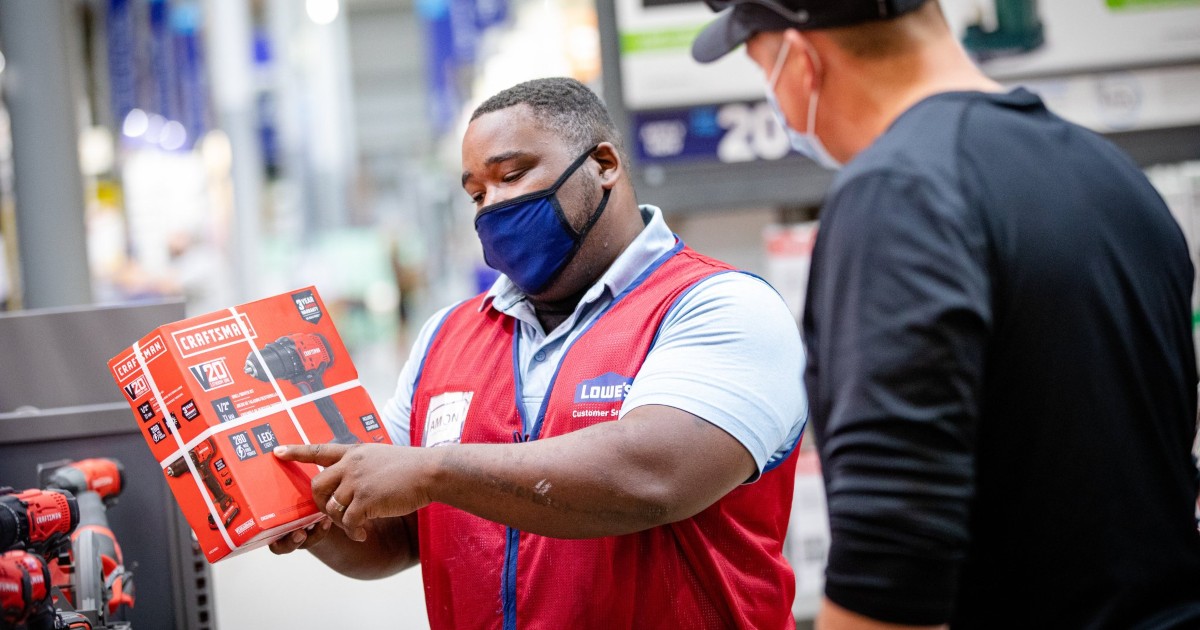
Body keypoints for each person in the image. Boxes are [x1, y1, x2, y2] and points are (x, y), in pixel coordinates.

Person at [693, 1, 1200, 628]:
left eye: (759, 65)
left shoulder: (899, 191)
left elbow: (892, 557)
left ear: (800, 60)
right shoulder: (1111, 175)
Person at [270, 77, 808, 629]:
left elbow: (653, 475)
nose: (493, 205)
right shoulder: (444, 339)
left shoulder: (719, 306)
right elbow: (400, 535)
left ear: (603, 164)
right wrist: (319, 523)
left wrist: (433, 469)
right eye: (477, 194)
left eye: (512, 175)